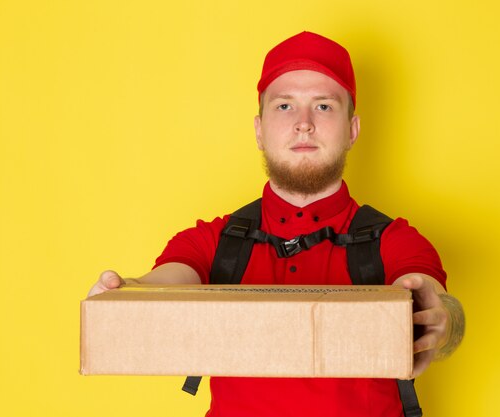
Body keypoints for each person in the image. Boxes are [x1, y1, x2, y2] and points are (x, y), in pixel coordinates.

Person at [88, 31, 465, 417]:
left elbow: (440, 307)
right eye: (284, 106)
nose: (304, 123)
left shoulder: (396, 241)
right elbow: (165, 284)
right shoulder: (210, 241)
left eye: (323, 106)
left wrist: (442, 320)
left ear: (352, 130)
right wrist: (127, 292)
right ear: (258, 130)